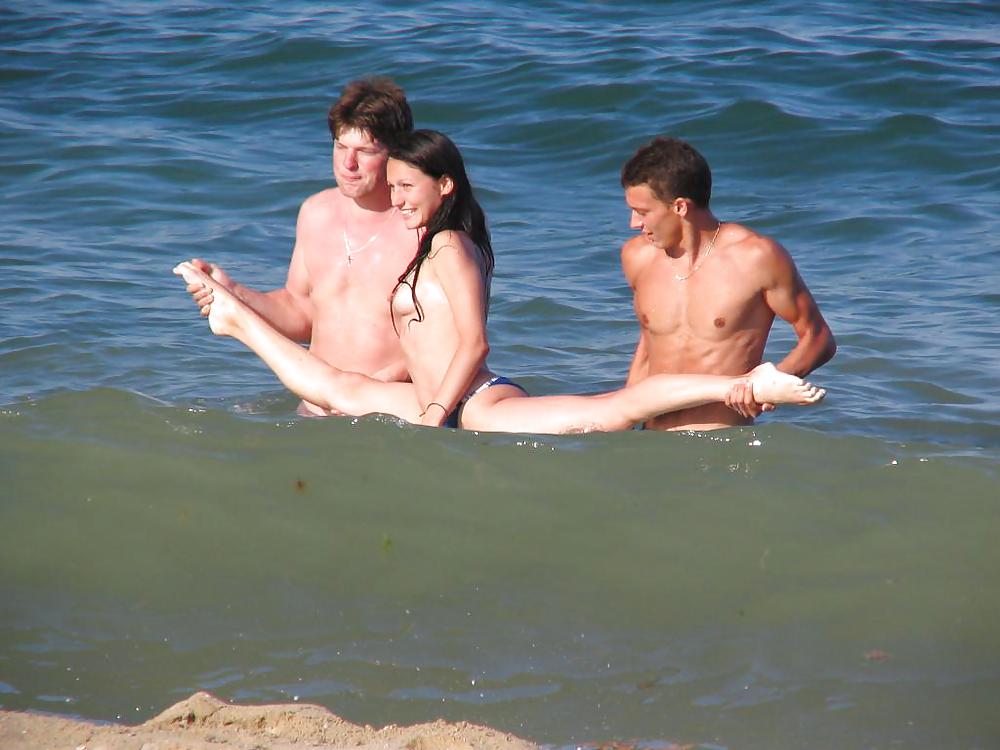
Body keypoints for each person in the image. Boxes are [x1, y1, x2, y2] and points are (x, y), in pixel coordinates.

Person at [175, 130, 825, 434]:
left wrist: (434, 416)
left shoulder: (453, 247)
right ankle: (233, 320)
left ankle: (751, 382)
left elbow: (475, 345)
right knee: (334, 386)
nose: (392, 196)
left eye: (405, 186)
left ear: (444, 186)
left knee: (607, 411)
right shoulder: (429, 246)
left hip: (472, 405)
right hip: (433, 401)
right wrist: (236, 293)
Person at [182, 77, 418, 415]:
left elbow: (446, 340)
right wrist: (231, 291)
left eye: (365, 151)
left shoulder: (421, 229)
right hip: (315, 407)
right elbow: (300, 312)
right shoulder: (315, 213)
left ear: (395, 154)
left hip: (388, 409)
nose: (348, 163)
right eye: (340, 146)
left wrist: (367, 391)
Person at [620, 136, 837, 431]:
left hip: (721, 443)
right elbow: (649, 342)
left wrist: (767, 382)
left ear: (680, 207)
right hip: (650, 438)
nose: (634, 223)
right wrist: (622, 423)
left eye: (643, 212)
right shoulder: (637, 257)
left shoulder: (756, 258)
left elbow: (819, 338)